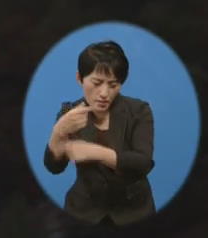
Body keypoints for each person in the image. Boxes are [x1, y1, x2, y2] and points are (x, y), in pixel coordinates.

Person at [42, 40, 156, 225]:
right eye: (97, 83)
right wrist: (58, 132)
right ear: (80, 78)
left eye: (113, 85)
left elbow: (143, 163)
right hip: (84, 212)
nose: (104, 93)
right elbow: (54, 167)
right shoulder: (68, 112)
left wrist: (94, 153)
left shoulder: (139, 110)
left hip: (134, 212)